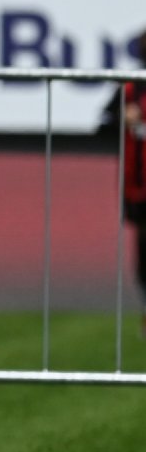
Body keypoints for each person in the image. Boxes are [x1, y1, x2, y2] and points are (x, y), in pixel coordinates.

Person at [99, 31, 146, 335]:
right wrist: (121, 119)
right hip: (139, 184)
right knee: (144, 248)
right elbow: (102, 123)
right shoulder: (130, 88)